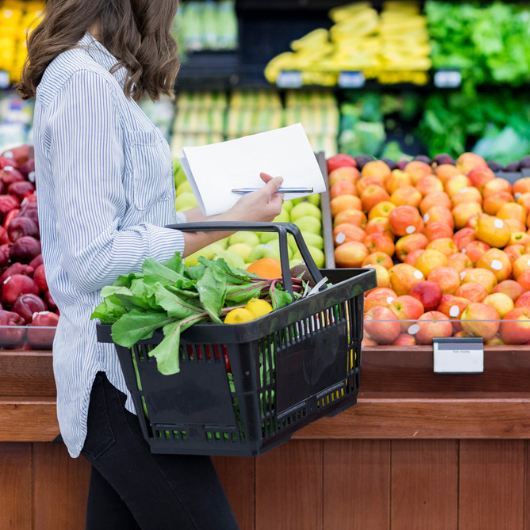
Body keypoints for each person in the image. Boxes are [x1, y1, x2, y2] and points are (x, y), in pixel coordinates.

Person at [18, 1, 283, 528]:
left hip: (134, 374)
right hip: (116, 380)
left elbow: (138, 222)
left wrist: (230, 212)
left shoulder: (93, 76)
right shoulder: (83, 86)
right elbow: (95, 257)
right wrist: (224, 226)